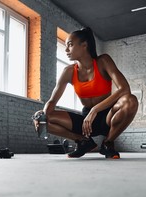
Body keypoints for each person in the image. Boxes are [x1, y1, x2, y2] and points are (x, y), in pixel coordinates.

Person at [33, 27, 138, 159]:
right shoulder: (69, 71)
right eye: (66, 46)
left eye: (70, 45)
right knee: (41, 117)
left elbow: (124, 88)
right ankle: (83, 141)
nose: (66, 50)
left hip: (108, 116)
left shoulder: (103, 61)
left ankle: (108, 143)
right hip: (85, 121)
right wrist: (42, 116)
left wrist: (95, 110)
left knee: (130, 100)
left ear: (84, 45)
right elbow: (52, 101)